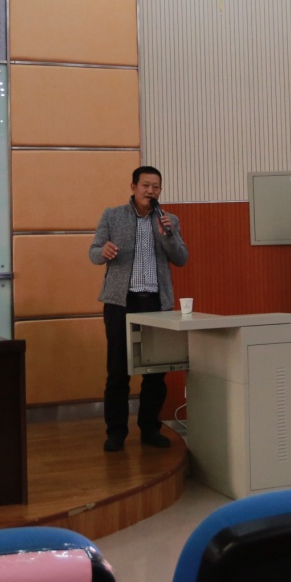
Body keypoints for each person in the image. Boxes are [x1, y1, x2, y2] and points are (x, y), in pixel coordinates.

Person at [88, 165, 189, 452]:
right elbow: (93, 252)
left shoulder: (169, 220)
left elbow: (181, 258)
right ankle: (116, 432)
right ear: (133, 187)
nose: (150, 191)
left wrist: (168, 235)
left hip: (156, 304)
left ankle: (150, 428)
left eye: (156, 187)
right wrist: (103, 252)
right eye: (145, 185)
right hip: (121, 303)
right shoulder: (113, 215)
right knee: (118, 372)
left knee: (155, 372)